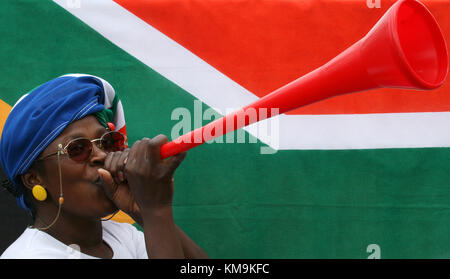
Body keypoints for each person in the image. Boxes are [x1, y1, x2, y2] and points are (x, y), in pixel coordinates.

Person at [0, 74, 208, 259]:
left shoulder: (123, 236)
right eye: (77, 148)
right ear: (33, 178)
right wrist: (155, 210)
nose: (101, 155)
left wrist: (145, 212)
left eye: (107, 142)